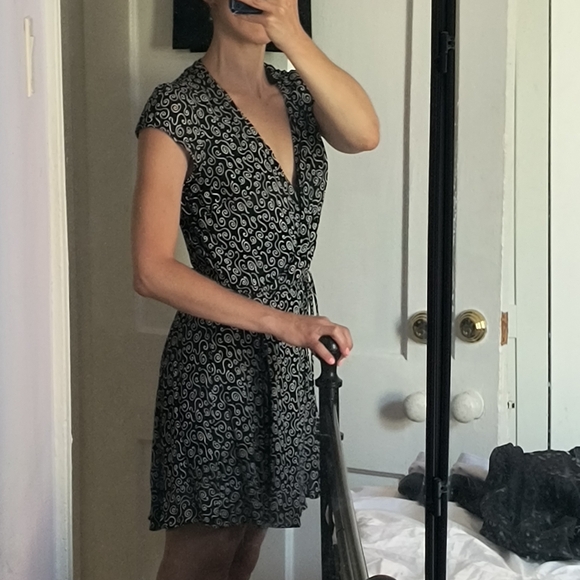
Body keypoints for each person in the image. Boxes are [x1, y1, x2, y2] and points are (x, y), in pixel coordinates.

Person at [131, 0, 379, 578]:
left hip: (287, 361)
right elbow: (150, 268)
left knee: (244, 552)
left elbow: (364, 134)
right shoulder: (178, 107)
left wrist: (290, 34)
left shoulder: (299, 95)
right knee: (202, 558)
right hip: (215, 366)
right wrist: (285, 323)